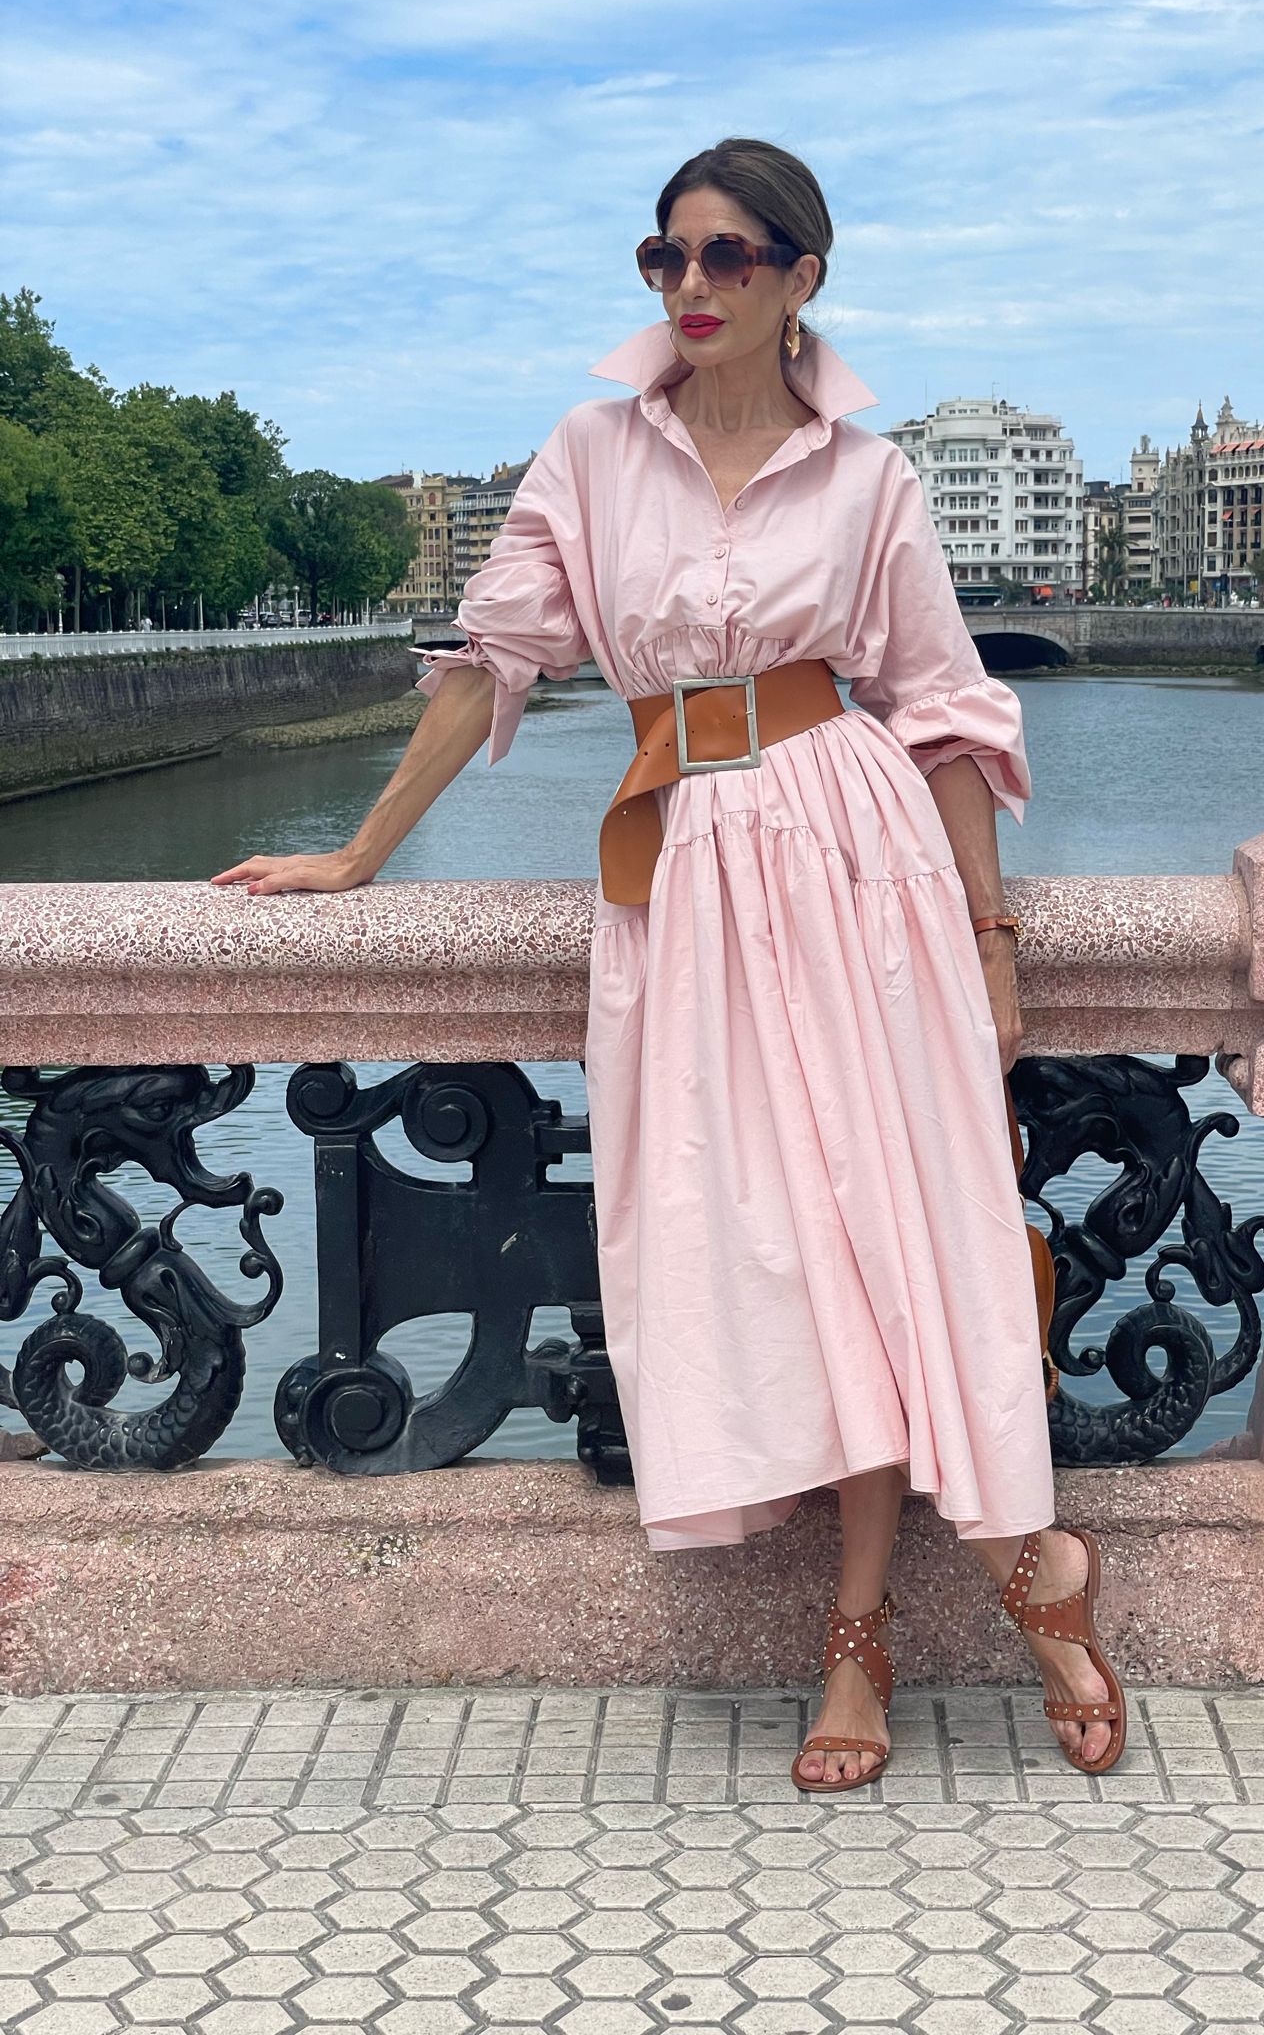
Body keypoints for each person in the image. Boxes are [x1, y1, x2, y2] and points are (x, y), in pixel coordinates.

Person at [212, 138, 1124, 1791]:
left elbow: (941, 711)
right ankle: (1028, 1574)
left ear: (801, 277)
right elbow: (490, 662)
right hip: (686, 878)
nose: (692, 285)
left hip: (854, 864)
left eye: (728, 256)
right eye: (666, 257)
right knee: (771, 1256)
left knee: (886, 1244)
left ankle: (870, 1635)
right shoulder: (590, 452)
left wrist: (988, 938)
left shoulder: (869, 477)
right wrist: (359, 854)